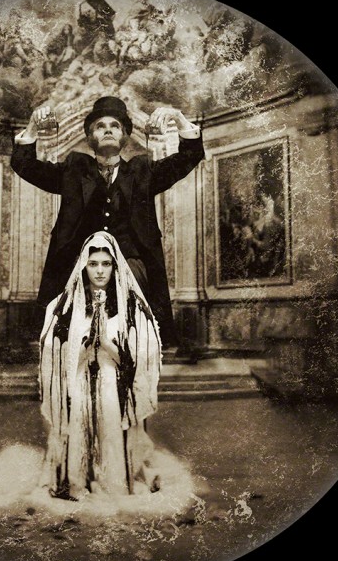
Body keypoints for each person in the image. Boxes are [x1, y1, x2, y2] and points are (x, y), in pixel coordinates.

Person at [11, 95, 205, 347]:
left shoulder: (143, 171)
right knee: (70, 332)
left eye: (115, 126)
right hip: (80, 265)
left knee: (133, 329)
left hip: (132, 265)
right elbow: (24, 165)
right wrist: (31, 128)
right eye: (100, 126)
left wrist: (178, 118)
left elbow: (190, 156)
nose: (108, 130)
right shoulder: (74, 169)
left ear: (124, 135)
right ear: (90, 136)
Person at [39, 231, 162, 500]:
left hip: (112, 382)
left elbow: (139, 358)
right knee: (78, 425)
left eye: (106, 264)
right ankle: (77, 481)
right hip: (78, 381)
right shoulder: (64, 307)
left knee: (110, 424)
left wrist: (106, 344)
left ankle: (112, 481)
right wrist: (82, 349)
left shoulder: (131, 308)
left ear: (115, 267)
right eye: (93, 264)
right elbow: (53, 353)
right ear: (84, 266)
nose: (99, 271)